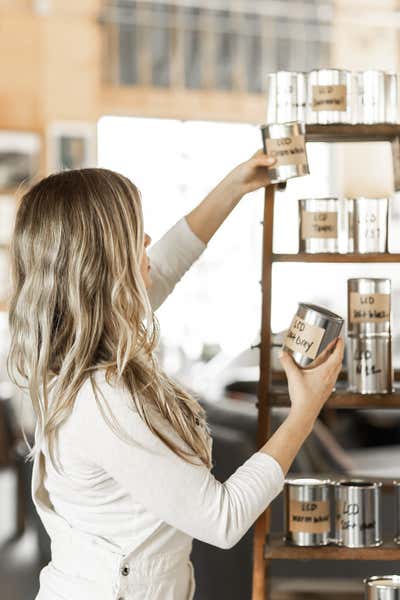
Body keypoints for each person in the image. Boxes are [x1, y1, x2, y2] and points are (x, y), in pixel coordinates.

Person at [8, 151, 344, 600]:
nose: (148, 241)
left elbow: (164, 264)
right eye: (134, 237)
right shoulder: (106, 398)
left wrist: (234, 186)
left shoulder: (69, 347)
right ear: (105, 266)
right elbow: (222, 519)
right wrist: (306, 409)